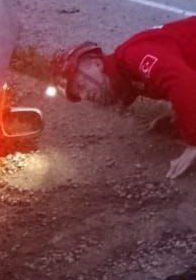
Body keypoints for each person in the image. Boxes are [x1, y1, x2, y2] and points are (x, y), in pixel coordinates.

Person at [51, 16, 196, 179]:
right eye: (79, 95)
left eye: (81, 85)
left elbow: (182, 82)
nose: (85, 95)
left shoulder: (132, 55)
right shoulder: (128, 75)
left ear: (96, 63)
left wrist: (193, 141)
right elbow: (180, 68)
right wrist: (179, 112)